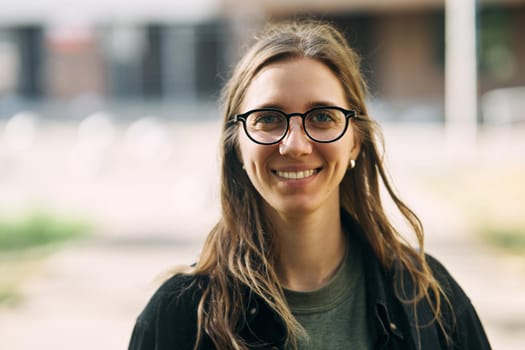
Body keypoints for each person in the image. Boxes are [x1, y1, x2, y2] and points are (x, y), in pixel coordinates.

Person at [128, 20, 491, 350]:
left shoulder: (430, 300)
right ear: (237, 145)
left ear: (356, 140)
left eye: (322, 117)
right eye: (268, 119)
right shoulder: (175, 320)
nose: (296, 146)